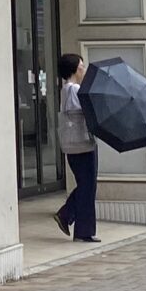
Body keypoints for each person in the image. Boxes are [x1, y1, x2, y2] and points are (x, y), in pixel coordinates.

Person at [53, 52, 100, 242]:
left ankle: (69, 217)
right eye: (81, 66)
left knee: (85, 185)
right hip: (83, 145)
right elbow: (82, 112)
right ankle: (77, 225)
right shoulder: (74, 89)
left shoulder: (66, 89)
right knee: (88, 186)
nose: (84, 70)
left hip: (73, 146)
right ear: (74, 69)